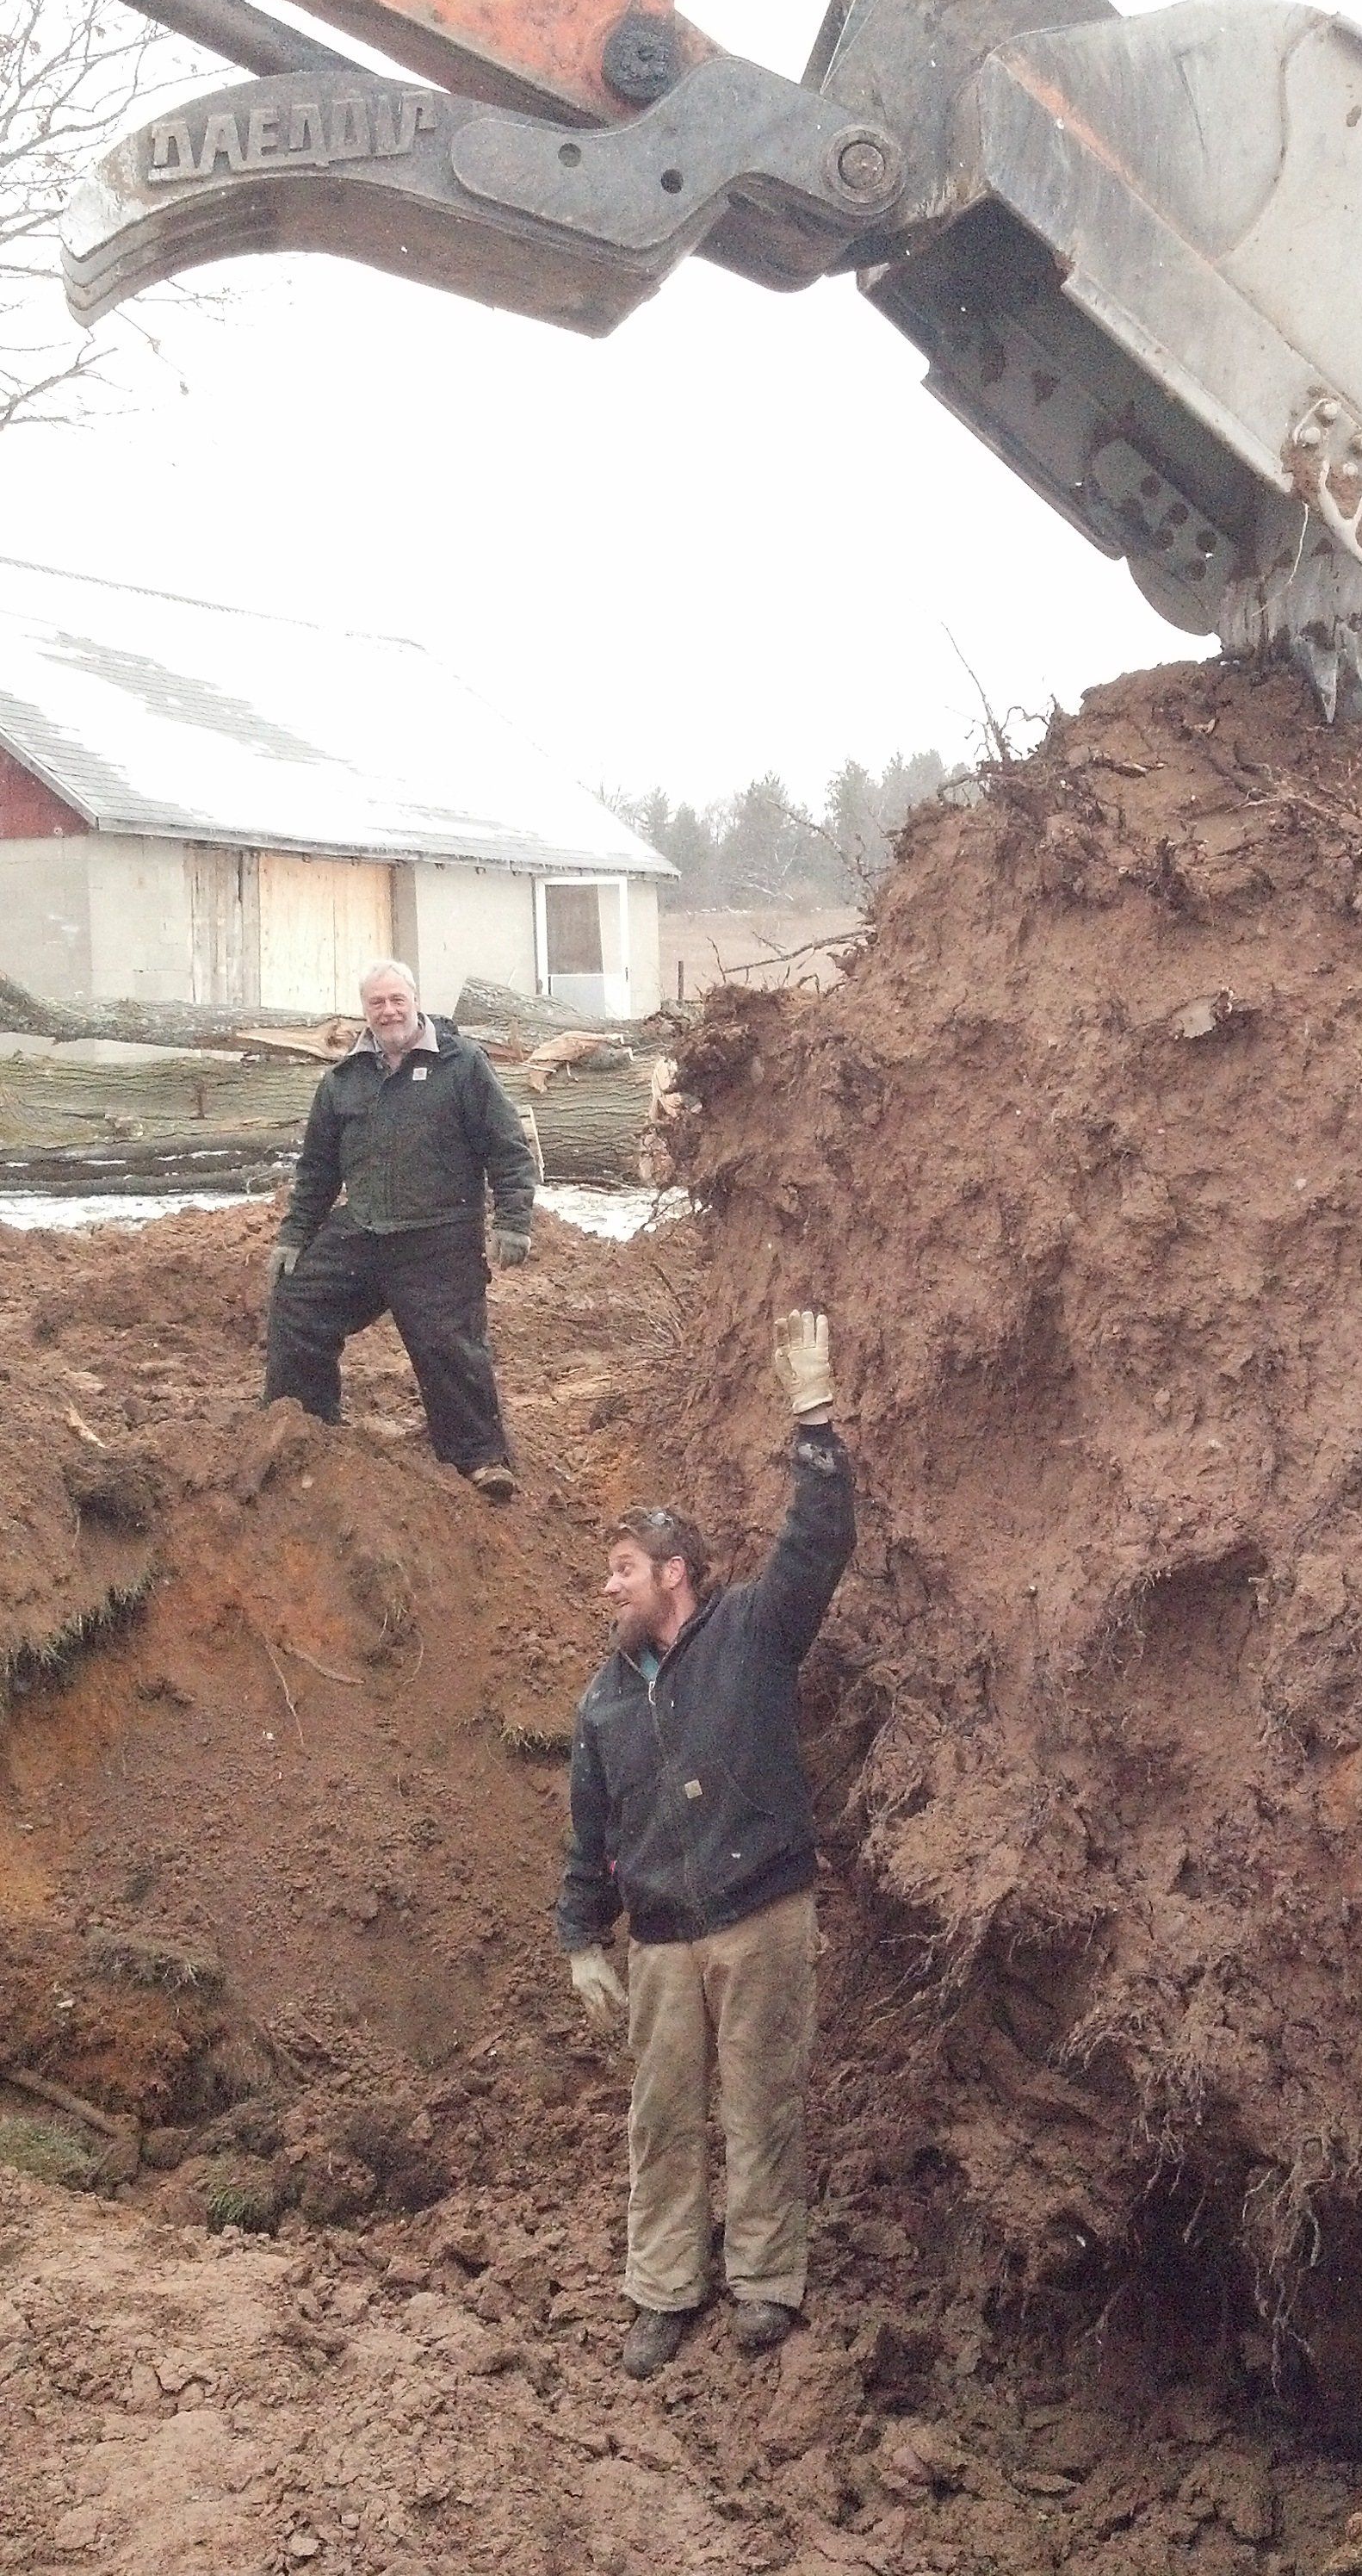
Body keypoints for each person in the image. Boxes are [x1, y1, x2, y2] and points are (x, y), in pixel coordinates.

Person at [555, 1309, 856, 2380]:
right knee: (662, 2118)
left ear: (675, 1573)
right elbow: (591, 1835)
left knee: (762, 2098)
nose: (610, 1586)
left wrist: (812, 1416)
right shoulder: (600, 1703)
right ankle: (663, 2289)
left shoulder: (752, 1631)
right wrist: (585, 1939)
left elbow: (817, 1540)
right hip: (666, 1937)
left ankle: (767, 2281)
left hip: (762, 1912)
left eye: (624, 1567)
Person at [263, 959, 535, 1498]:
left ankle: (479, 1459)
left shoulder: (462, 1066)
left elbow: (506, 1146)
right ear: (364, 1011)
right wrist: (295, 1234)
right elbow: (317, 1169)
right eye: (376, 1003)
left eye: (396, 1000)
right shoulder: (343, 1080)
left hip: (440, 1235)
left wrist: (512, 1219)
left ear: (414, 1001)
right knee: (297, 1303)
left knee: (448, 1344)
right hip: (363, 1231)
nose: (388, 1011)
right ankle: (306, 1429)